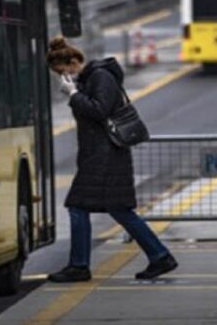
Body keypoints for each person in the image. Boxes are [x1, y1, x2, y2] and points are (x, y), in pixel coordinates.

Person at [45, 37, 177, 282]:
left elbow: (99, 110)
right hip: (100, 155)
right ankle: (159, 256)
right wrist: (76, 92)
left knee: (79, 206)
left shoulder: (100, 77)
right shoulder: (89, 79)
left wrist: (73, 95)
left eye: (64, 72)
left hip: (105, 155)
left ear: (74, 62)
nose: (64, 78)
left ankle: (80, 265)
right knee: (118, 209)